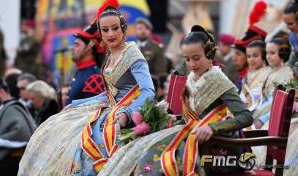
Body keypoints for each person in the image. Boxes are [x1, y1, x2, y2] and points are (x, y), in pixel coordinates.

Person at [18, 0, 155, 175]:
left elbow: (148, 91)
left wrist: (127, 114)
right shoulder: (109, 57)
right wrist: (75, 105)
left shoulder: (132, 53)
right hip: (109, 109)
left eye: (115, 28)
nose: (111, 34)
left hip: (127, 114)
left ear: (123, 29)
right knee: (56, 126)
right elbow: (108, 94)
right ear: (100, 33)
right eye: (105, 30)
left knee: (88, 144)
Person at [99, 25, 253, 176]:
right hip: (194, 138)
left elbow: (246, 117)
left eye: (197, 58)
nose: (192, 64)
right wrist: (167, 121)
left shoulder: (221, 82)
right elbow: (190, 118)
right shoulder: (192, 79)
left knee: (157, 161)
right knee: (138, 148)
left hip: (217, 148)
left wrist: (212, 128)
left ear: (210, 53)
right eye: (187, 59)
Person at [0, 78, 36, 176]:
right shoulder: (4, 107)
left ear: (1, 92)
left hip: (10, 164)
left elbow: (22, 135)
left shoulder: (13, 109)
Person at [254, 38, 293, 128]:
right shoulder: (272, 71)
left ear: (283, 53)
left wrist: (263, 119)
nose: (268, 56)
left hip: (270, 118)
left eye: (272, 53)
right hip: (262, 109)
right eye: (267, 53)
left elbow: (281, 102)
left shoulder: (285, 74)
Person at [65, 22, 106, 105]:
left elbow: (90, 111)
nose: (72, 48)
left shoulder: (95, 77)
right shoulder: (81, 71)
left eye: (77, 45)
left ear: (89, 49)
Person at [233, 1, 268, 92]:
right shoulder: (244, 76)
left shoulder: (266, 75)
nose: (234, 59)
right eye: (249, 56)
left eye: (238, 54)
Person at [240, 40, 271, 111]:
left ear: (264, 56)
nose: (251, 59)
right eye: (249, 56)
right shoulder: (248, 73)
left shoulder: (268, 72)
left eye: (255, 56)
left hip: (260, 109)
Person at [283, 0, 298, 69]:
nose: (287, 28)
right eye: (286, 24)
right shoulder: (292, 36)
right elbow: (294, 55)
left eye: (290, 24)